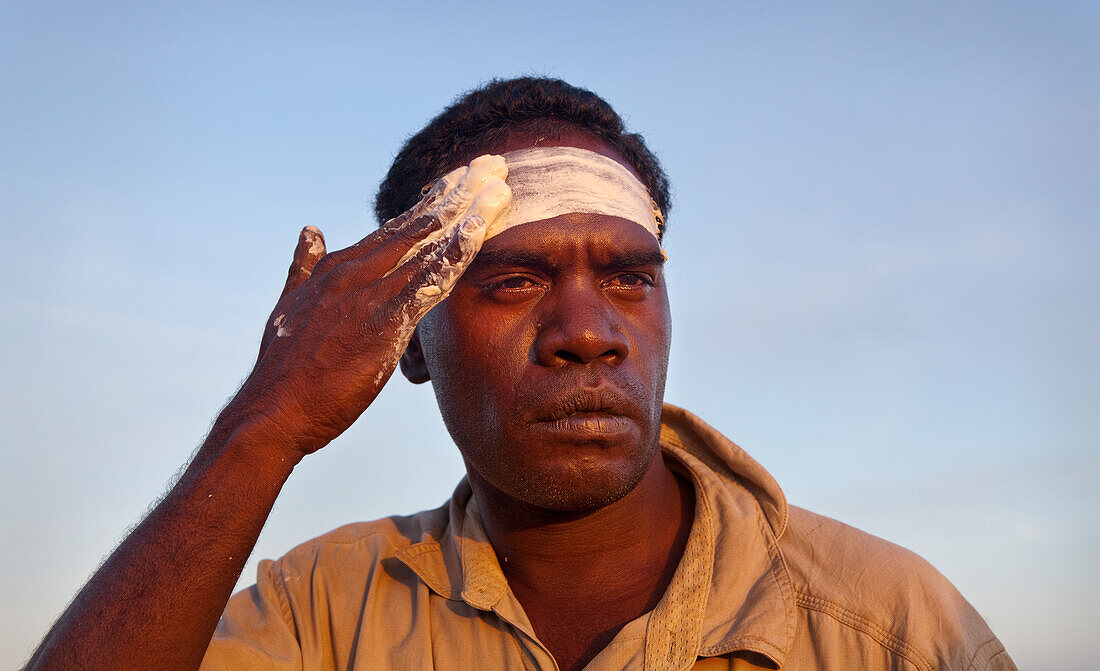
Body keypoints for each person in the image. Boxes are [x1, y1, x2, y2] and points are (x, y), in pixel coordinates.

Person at [24, 77, 1016, 671]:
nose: (588, 331)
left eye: (628, 277)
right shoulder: (327, 608)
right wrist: (265, 421)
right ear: (407, 341)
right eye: (510, 279)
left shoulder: (888, 626)